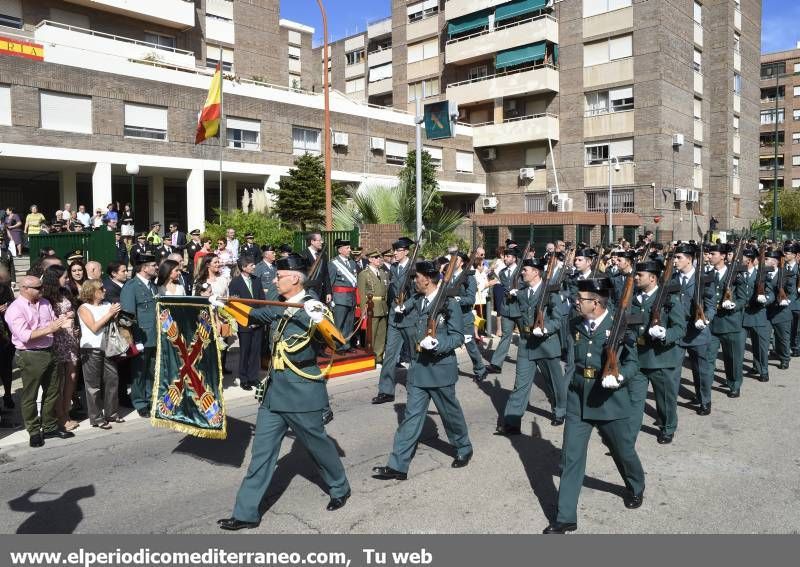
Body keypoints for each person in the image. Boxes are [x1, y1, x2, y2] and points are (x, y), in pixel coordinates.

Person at [216, 254, 351, 530]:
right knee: (262, 455)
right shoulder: (279, 306)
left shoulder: (313, 307)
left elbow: (338, 345)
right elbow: (253, 314)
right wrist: (222, 305)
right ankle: (246, 513)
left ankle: (339, 486)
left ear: (294, 278)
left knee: (318, 446)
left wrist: (320, 321)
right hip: (275, 392)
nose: (274, 280)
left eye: (278, 276)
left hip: (302, 390)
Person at [543, 278, 645, 534]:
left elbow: (633, 363)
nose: (576, 302)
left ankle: (636, 485)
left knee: (622, 450)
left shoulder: (619, 325)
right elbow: (573, 357)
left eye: (581, 299)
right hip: (579, 398)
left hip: (610, 400)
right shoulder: (575, 322)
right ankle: (565, 517)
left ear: (597, 303)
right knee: (570, 457)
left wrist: (619, 377)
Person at [372, 260, 472, 481]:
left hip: (439, 370)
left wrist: (438, 343)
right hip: (418, 370)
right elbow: (405, 310)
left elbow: (457, 336)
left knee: (450, 415)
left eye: (417, 277)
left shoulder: (448, 303)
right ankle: (398, 465)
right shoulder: (417, 300)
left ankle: (463, 448)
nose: (414, 281)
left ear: (427, 279)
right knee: (411, 417)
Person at [496, 257, 565, 433]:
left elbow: (558, 320)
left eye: (525, 270)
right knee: (521, 383)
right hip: (527, 343)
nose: (522, 272)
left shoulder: (550, 292)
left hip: (546, 343)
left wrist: (546, 328)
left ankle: (559, 411)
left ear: (536, 272)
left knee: (554, 382)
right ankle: (512, 421)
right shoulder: (523, 292)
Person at [5, 275, 72, 446]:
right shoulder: (15, 309)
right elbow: (24, 336)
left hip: (50, 351)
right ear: (24, 289)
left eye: (41, 287)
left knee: (52, 391)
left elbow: (52, 323)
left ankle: (49, 427)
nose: (42, 290)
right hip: (29, 354)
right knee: (30, 395)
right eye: (37, 287)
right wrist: (51, 328)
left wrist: (62, 321)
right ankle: (34, 430)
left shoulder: (45, 303)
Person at [631, 259, 687, 445]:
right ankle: (628, 438)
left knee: (664, 399)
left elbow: (680, 328)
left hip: (661, 359)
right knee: (634, 400)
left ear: (653, 278)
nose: (636, 277)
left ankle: (668, 427)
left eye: (640, 275)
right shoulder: (632, 298)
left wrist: (665, 334)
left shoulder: (669, 300)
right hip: (637, 358)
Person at [673, 244, 717, 416]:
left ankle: (704, 400)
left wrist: (705, 318)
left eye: (679, 258)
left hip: (697, 332)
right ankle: (670, 405)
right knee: (673, 371)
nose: (675, 261)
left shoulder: (703, 279)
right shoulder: (671, 278)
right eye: (675, 257)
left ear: (689, 259)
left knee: (701, 370)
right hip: (676, 332)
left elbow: (712, 305)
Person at [41, 265, 82, 432]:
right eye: (64, 277)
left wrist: (72, 316)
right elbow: (45, 321)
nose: (67, 279)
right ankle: (60, 416)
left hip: (70, 339)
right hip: (56, 341)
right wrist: (63, 318)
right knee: (58, 381)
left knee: (72, 376)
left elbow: (72, 309)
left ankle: (66, 411)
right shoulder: (46, 297)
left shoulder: (65, 292)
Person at [77, 280, 123, 430]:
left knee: (112, 380)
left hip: (108, 347)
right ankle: (96, 417)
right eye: (101, 288)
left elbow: (112, 325)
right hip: (91, 349)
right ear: (92, 291)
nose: (104, 290)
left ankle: (112, 413)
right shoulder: (84, 308)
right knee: (93, 386)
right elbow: (94, 327)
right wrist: (110, 314)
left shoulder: (107, 305)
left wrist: (115, 315)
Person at [120, 253, 159, 417]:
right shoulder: (131, 286)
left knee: (151, 370)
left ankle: (150, 399)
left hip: (154, 335)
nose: (157, 267)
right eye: (153, 265)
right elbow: (126, 317)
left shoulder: (152, 285)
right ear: (144, 268)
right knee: (139, 372)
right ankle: (140, 402)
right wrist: (134, 340)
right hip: (140, 337)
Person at [708, 243, 747, 398]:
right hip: (711, 324)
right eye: (709, 254)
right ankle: (704, 389)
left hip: (730, 323)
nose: (709, 256)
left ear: (723, 256)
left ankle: (734, 383)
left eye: (713, 254)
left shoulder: (736, 275)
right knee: (707, 358)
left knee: (732, 359)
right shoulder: (707, 273)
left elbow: (743, 298)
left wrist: (734, 304)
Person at [447, 252, 487, 381]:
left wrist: (458, 299)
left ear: (462, 262)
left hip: (464, 316)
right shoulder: (448, 276)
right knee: (448, 344)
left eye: (456, 259)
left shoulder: (469, 278)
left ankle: (480, 369)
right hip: (450, 316)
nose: (452, 262)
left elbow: (470, 299)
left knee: (470, 345)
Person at [228, 256, 265, 390]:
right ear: (243, 268)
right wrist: (248, 320)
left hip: (258, 321)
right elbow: (236, 305)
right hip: (244, 322)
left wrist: (259, 318)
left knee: (256, 351)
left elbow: (262, 300)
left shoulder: (256, 280)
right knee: (245, 351)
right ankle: (244, 379)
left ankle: (253, 377)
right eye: (251, 265)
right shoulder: (235, 283)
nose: (254, 267)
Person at [487, 247, 522, 373]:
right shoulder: (502, 272)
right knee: (506, 336)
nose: (505, 258)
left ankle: (529, 360)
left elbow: (528, 286)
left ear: (514, 258)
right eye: (505, 256)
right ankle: (496, 364)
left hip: (520, 308)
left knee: (525, 337)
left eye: (508, 256)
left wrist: (518, 292)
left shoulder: (522, 271)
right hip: (506, 308)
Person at [740, 249, 772, 383]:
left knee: (761, 346)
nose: (739, 261)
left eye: (742, 259)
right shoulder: (737, 273)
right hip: (741, 315)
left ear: (750, 260)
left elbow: (771, 292)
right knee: (739, 348)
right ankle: (738, 373)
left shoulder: (762, 274)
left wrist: (766, 299)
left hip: (758, 314)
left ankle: (763, 370)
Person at [357, 250, 390, 364]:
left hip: (382, 305)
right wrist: (363, 310)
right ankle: (371, 356)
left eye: (379, 257)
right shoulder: (364, 274)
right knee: (372, 334)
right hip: (371, 307)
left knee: (382, 333)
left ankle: (379, 356)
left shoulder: (383, 273)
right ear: (370, 259)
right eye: (375, 257)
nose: (378, 259)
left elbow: (386, 291)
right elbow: (361, 294)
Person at [765, 249, 796, 371]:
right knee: (769, 338)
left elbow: (792, 292)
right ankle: (775, 353)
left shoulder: (786, 274)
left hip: (782, 311)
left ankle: (785, 358)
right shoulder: (764, 274)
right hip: (767, 311)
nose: (764, 261)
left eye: (767, 259)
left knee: (783, 337)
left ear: (774, 262)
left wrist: (787, 301)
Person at [328, 239, 358, 352]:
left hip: (351, 297)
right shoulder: (333, 263)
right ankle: (337, 346)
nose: (350, 250)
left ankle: (346, 344)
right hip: (339, 298)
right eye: (347, 248)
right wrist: (330, 299)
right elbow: (330, 282)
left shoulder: (352, 262)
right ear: (340, 250)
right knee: (338, 324)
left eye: (349, 247)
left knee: (349, 324)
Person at [0, 267, 16, 412]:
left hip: (5, 334)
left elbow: (13, 303)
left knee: (6, 367)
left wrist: (7, 307)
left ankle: (8, 395)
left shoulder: (5, 288)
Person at [300, 232, 330, 302]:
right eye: (319, 240)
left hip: (322, 292)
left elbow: (326, 274)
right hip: (309, 291)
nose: (321, 242)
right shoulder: (303, 255)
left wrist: (328, 292)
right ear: (312, 242)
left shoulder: (323, 255)